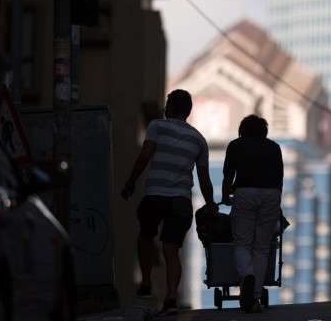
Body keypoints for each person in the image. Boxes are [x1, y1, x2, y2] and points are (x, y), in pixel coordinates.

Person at [120, 89, 217, 316]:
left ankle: (145, 283)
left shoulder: (157, 126)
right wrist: (211, 203)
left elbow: (145, 155)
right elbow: (204, 178)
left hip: (155, 193)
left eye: (167, 105)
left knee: (146, 234)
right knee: (171, 249)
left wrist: (130, 182)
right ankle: (171, 299)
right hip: (181, 199)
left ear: (171, 108)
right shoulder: (199, 139)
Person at [222, 114, 284, 313]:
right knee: (262, 247)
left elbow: (228, 175)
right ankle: (254, 298)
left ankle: (246, 276)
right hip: (271, 194)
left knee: (242, 243)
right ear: (264, 132)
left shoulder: (235, 145)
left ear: (242, 131)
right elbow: (279, 177)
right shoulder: (274, 147)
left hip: (245, 192)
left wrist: (225, 196)